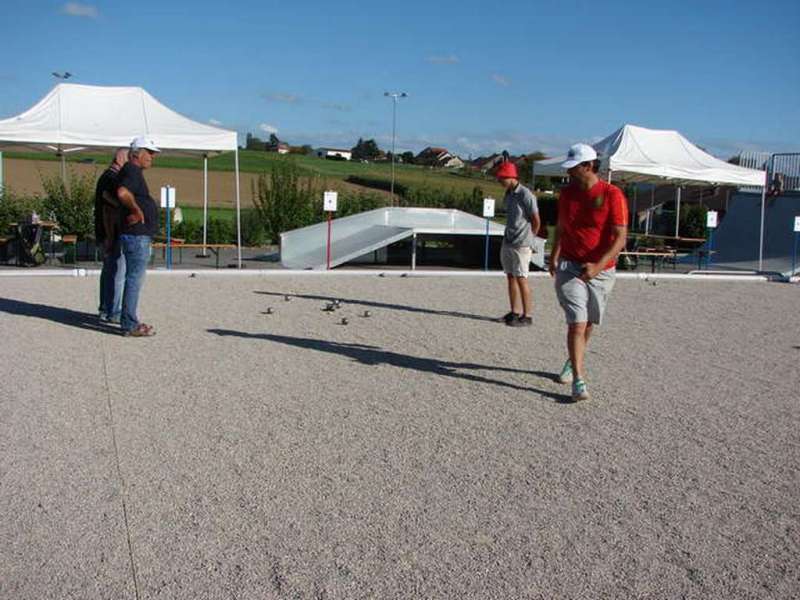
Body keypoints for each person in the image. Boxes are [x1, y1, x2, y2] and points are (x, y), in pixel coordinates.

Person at [549, 143, 628, 401]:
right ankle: (579, 381)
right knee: (577, 321)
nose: (569, 173)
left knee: (589, 322)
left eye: (574, 168)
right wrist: (554, 255)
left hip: (601, 269)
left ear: (588, 166)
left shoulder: (611, 194)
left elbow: (620, 238)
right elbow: (561, 227)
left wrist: (598, 265)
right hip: (570, 265)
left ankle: (573, 361)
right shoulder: (567, 194)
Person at [116, 136, 160, 337]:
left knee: (132, 278)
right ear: (137, 153)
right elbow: (122, 193)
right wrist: (135, 210)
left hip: (135, 235)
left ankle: (127, 319)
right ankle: (129, 324)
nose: (152, 157)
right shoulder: (132, 171)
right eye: (149, 152)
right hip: (136, 235)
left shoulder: (130, 171)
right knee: (134, 279)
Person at [496, 160, 540, 327]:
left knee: (522, 278)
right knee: (510, 276)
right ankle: (514, 311)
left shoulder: (526, 195)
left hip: (522, 243)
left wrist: (530, 238)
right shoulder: (509, 193)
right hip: (508, 240)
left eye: (502, 178)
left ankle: (527, 315)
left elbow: (536, 220)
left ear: (510, 177)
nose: (500, 182)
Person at [95, 148, 128, 323]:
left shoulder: (105, 177)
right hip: (112, 233)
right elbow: (114, 202)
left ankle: (105, 309)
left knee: (109, 271)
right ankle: (113, 311)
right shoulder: (111, 179)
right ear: (119, 158)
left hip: (106, 232)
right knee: (117, 272)